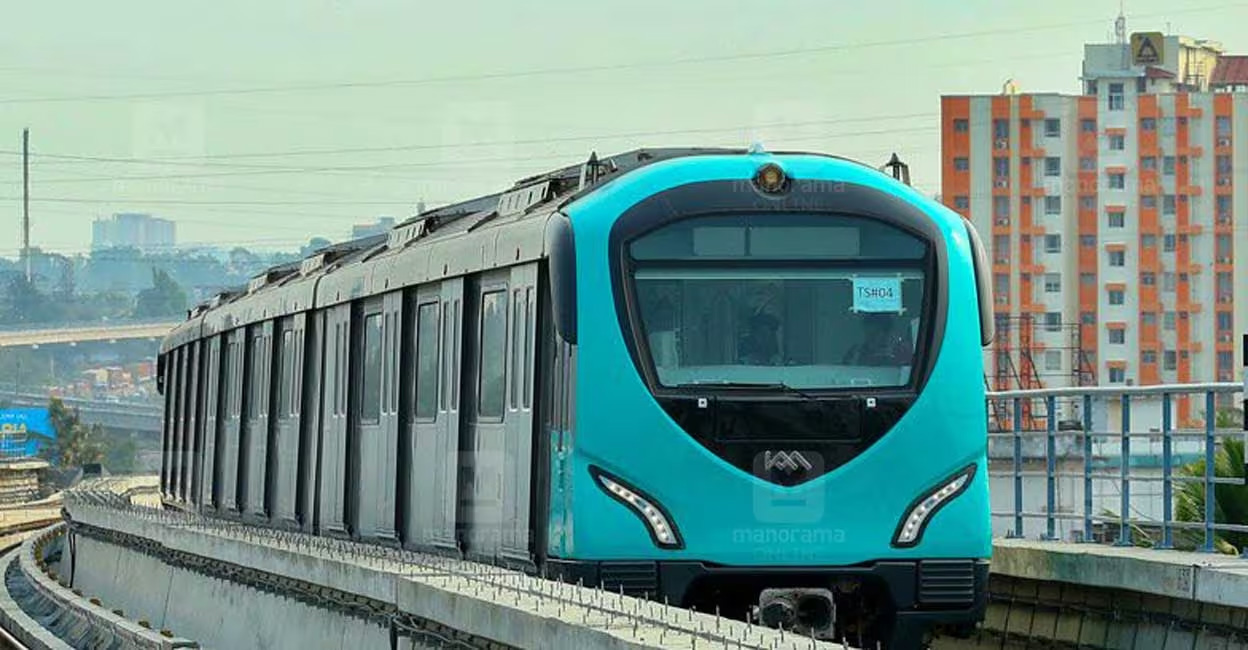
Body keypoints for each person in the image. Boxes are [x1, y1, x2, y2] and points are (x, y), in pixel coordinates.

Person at [842, 312, 913, 366]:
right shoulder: (855, 353)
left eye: (875, 334)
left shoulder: (901, 351)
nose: (870, 338)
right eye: (868, 333)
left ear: (887, 333)